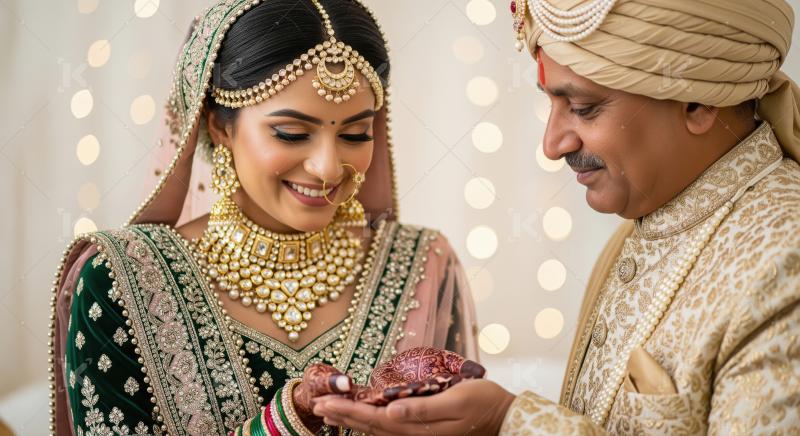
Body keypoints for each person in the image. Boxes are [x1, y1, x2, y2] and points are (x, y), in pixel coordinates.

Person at [312, 0, 800, 434]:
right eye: (553, 105)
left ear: (700, 101)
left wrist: (508, 421)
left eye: (584, 109)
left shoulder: (785, 260)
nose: (552, 144)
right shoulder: (649, 224)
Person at [48, 1, 478, 434]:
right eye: (291, 134)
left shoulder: (423, 263)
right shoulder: (122, 279)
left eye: (354, 134)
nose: (328, 168)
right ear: (219, 125)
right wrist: (282, 423)